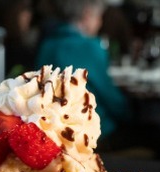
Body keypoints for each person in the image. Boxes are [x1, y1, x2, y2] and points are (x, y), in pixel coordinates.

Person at [34, 0, 131, 142]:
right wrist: (130, 112)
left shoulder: (47, 45)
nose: (100, 23)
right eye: (99, 18)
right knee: (155, 133)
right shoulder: (91, 47)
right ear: (87, 15)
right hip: (92, 132)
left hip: (52, 131)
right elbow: (110, 97)